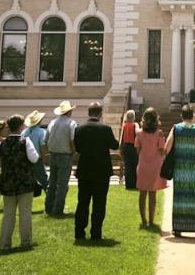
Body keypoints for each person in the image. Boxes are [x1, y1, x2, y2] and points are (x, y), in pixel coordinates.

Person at [0, 114, 39, 252]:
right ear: (21, 126)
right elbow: (34, 159)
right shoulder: (25, 141)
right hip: (24, 181)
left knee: (8, 214)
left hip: (8, 182)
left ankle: (4, 244)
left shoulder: (3, 143)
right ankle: (26, 242)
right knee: (25, 213)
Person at [74, 102, 119, 240]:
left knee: (83, 201)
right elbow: (114, 145)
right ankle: (96, 232)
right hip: (101, 170)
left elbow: (78, 148)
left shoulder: (79, 128)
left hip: (85, 169)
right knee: (99, 202)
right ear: (100, 114)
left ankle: (79, 232)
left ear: (89, 113)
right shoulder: (105, 129)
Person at [166, 104, 195, 237]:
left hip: (180, 170)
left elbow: (167, 147)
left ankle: (178, 227)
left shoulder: (176, 128)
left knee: (180, 197)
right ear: (193, 116)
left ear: (181, 116)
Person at [45, 100, 77, 217]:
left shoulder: (52, 122)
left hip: (53, 154)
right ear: (69, 111)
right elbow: (72, 140)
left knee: (52, 182)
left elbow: (46, 140)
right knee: (62, 184)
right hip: (64, 155)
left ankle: (49, 207)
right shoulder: (71, 123)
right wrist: (74, 153)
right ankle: (58, 209)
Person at [135, 107, 167, 227]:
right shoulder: (159, 133)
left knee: (142, 194)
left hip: (143, 165)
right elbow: (162, 150)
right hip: (155, 165)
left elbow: (137, 149)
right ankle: (151, 220)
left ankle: (143, 220)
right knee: (152, 194)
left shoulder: (139, 133)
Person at [21, 110, 48, 194]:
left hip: (26, 160)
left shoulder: (24, 132)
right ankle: (51, 199)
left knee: (27, 181)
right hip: (37, 159)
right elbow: (42, 147)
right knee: (44, 180)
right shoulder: (42, 132)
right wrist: (44, 159)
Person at [120, 110, 140, 190]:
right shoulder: (135, 125)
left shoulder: (124, 125)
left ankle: (128, 184)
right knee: (135, 165)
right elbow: (137, 134)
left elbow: (122, 137)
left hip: (125, 146)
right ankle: (135, 183)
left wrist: (121, 148)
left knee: (128, 166)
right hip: (133, 146)